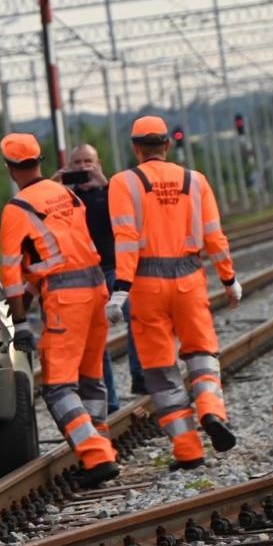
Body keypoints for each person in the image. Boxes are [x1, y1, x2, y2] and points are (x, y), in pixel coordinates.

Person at [107, 115, 241, 472]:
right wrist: (229, 280)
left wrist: (120, 289)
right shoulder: (195, 181)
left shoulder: (123, 183)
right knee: (201, 353)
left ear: (135, 148)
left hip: (146, 284)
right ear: (167, 144)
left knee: (160, 370)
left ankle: (187, 449)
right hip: (190, 279)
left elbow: (125, 239)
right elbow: (215, 236)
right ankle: (211, 411)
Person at [0, 135, 121, 489]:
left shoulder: (16, 209)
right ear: (40, 160)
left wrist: (20, 322)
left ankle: (97, 456)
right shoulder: (68, 195)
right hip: (96, 290)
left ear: (9, 169)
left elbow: (10, 273)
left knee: (58, 388)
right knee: (91, 380)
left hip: (65, 300)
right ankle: (100, 449)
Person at [63, 144, 146, 410]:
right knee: (96, 340)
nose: (83, 167)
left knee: (138, 316)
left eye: (88, 161)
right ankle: (109, 400)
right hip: (87, 276)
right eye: (77, 163)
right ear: (69, 167)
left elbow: (133, 216)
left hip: (116, 270)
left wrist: (106, 184)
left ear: (98, 163)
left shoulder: (113, 192)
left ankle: (140, 374)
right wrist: (54, 183)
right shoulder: (65, 197)